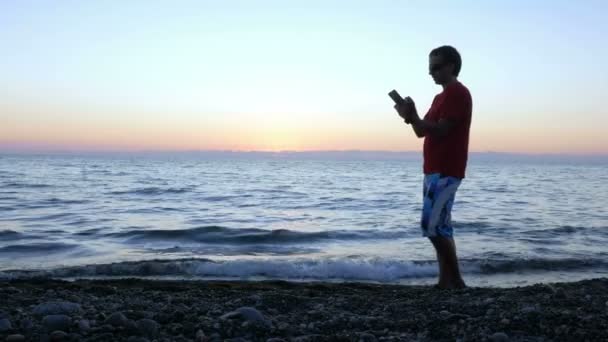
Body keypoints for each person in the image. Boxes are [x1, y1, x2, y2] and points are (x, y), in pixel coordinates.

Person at [394, 45, 472, 289]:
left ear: (451, 66)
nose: (432, 73)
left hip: (447, 169)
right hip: (433, 169)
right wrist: (410, 116)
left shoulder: (457, 93)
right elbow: (421, 131)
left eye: (436, 67)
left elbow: (442, 129)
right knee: (441, 227)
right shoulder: (440, 97)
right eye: (430, 69)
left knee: (432, 226)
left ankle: (456, 280)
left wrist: (416, 118)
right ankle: (445, 280)